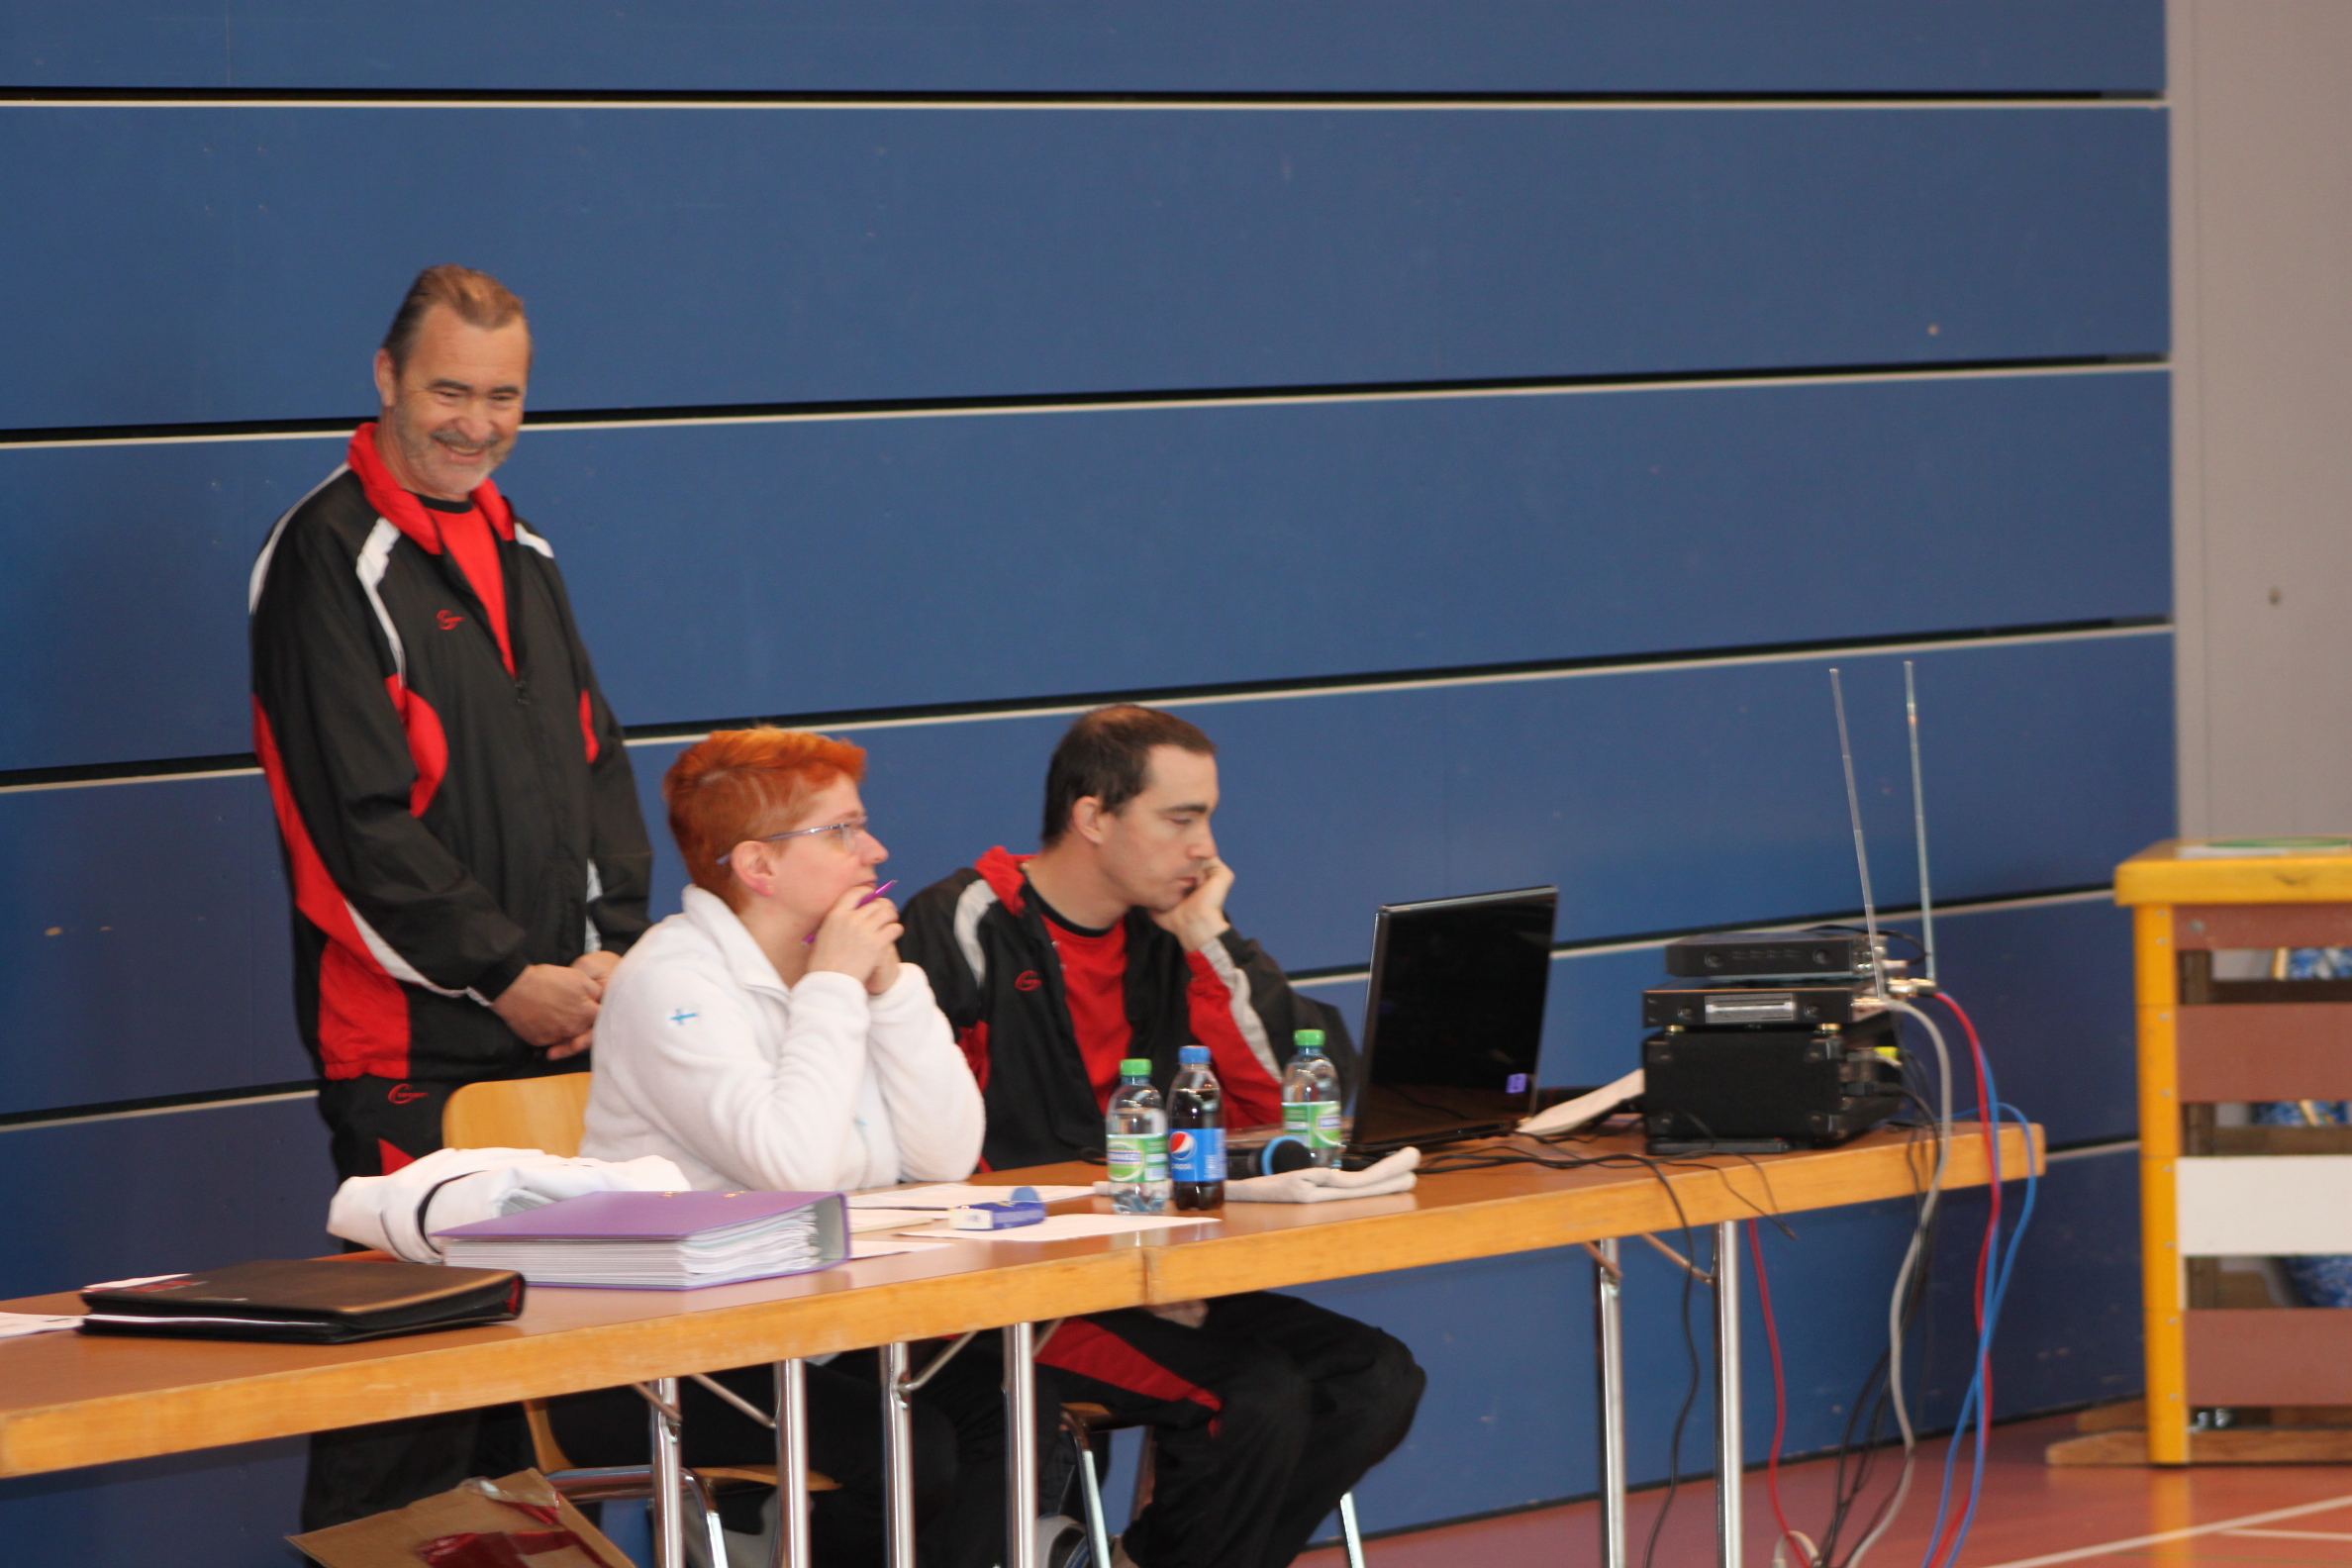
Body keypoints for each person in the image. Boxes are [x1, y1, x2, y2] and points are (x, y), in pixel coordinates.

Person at [249, 264, 652, 1526]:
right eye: (448, 391)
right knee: (408, 1408)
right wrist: (504, 973)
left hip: (556, 1039)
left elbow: (593, 766)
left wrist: (609, 960)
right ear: (385, 379)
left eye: (504, 397)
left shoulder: (524, 550)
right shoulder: (326, 557)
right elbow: (352, 826)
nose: (476, 424)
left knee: (541, 1412)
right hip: (410, 1053)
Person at [900, 705, 1424, 1568]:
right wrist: (1116, 1261)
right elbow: (922, 1150)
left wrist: (1212, 938)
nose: (1205, 849)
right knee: (1255, 1396)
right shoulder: (965, 922)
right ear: (1092, 817)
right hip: (1010, 1297)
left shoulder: (1176, 933)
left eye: (1208, 818)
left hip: (1156, 1268)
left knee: (1375, 1379)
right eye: (1181, 819)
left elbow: (1308, 1101)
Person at [561, 727, 1056, 1567]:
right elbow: (794, 1171)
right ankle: (762, 1537)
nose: (876, 850)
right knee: (908, 1450)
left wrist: (891, 989)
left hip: (820, 1323)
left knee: (1013, 1409)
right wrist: (832, 986)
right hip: (662, 1352)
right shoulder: (671, 982)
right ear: (760, 866)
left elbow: (944, 1155)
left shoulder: (835, 969)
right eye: (843, 831)